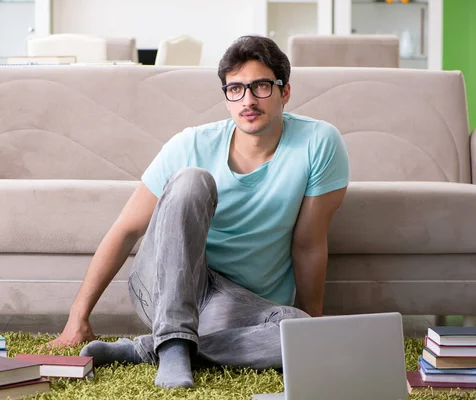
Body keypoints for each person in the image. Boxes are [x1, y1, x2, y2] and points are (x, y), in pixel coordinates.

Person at [45, 35, 349, 389]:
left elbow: (309, 243)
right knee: (193, 181)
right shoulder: (190, 144)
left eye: (261, 86)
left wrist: (311, 328)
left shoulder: (319, 143)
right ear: (226, 97)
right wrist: (77, 318)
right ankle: (173, 343)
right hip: (166, 287)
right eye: (235, 89)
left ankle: (147, 349)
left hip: (236, 308)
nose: (247, 100)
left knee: (299, 332)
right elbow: (126, 230)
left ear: (285, 91)